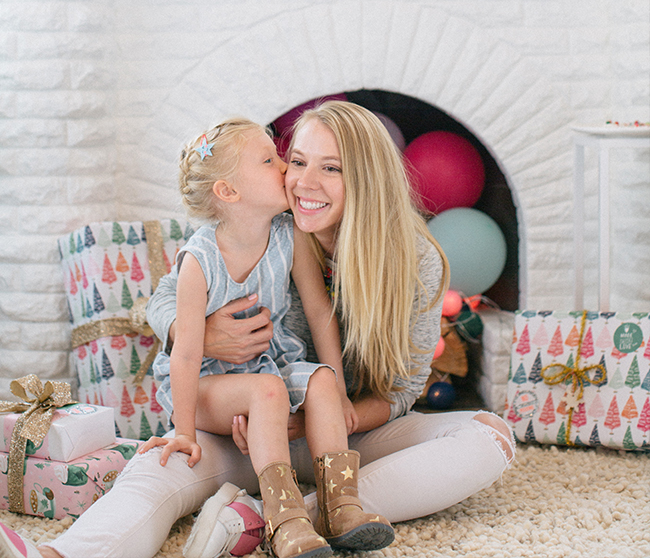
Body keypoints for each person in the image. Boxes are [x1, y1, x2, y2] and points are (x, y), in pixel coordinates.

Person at [0, 101, 515, 558]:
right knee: (155, 471)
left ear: (367, 179)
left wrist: (332, 412)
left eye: (330, 168)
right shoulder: (263, 226)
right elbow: (162, 298)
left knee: (487, 437)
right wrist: (198, 332)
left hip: (342, 432)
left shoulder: (414, 261)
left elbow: (403, 389)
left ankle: (284, 516)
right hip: (248, 427)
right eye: (296, 162)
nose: (302, 182)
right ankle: (58, 554)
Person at [138, 118, 393, 558]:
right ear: (228, 192)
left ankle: (341, 506)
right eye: (269, 160)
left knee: (318, 381)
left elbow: (318, 309)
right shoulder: (199, 261)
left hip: (264, 368)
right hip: (205, 385)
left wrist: (337, 387)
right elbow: (185, 355)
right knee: (269, 390)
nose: (284, 169)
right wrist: (183, 432)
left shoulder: (287, 234)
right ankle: (285, 520)